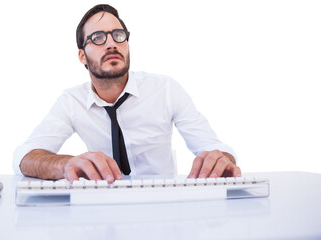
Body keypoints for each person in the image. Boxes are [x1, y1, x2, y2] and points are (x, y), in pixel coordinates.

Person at [13, 4, 241, 183]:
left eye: (118, 35)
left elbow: (214, 147)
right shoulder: (71, 102)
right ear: (82, 56)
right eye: (98, 38)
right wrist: (65, 165)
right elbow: (24, 158)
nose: (111, 44)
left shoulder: (166, 89)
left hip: (162, 206)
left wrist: (221, 159)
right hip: (103, 210)